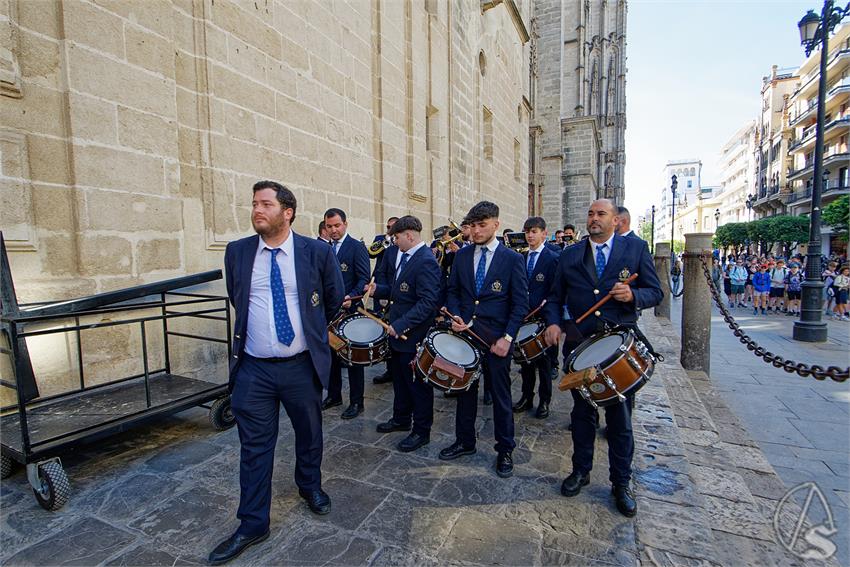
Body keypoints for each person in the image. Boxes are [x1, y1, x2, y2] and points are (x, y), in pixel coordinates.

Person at [210, 181, 345, 565]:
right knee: (254, 448)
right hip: (253, 369)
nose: (257, 210)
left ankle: (310, 487)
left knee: (309, 434)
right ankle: (253, 523)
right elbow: (240, 298)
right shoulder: (237, 252)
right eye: (254, 203)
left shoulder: (315, 251)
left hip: (301, 367)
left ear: (287, 212)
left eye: (265, 204)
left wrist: (311, 336)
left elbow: (332, 300)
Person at [543, 199, 662, 518]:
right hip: (580, 345)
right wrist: (554, 323)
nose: (594, 218)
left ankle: (621, 482)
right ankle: (580, 470)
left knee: (620, 420)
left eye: (601, 214)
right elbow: (555, 297)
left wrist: (634, 296)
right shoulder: (569, 254)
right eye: (591, 214)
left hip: (617, 346)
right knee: (582, 415)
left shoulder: (634, 249)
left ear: (616, 220)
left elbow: (655, 291)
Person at [441, 201, 528, 478]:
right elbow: (452, 291)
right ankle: (465, 441)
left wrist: (507, 338)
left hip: (496, 340)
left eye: (482, 225)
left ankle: (505, 449)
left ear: (495, 225)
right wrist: (455, 316)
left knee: (501, 397)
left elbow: (519, 304)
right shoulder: (462, 257)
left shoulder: (512, 259)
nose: (476, 231)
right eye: (473, 225)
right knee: (463, 391)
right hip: (466, 335)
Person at [367, 216, 441, 452]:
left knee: (418, 385)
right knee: (400, 379)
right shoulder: (406, 257)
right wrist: (378, 290)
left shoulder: (426, 261)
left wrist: (401, 325)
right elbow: (400, 292)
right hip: (398, 333)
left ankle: (421, 430)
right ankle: (400, 418)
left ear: (409, 236)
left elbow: (428, 302)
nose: (395, 242)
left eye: (396, 238)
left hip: (413, 334)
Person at [322, 208, 371, 419]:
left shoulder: (356, 247)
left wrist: (351, 295)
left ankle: (356, 402)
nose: (333, 230)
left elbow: (364, 279)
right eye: (329, 226)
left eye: (337, 225)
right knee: (331, 356)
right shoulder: (324, 248)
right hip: (329, 313)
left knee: (352, 359)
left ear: (345, 224)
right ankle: (334, 395)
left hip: (350, 312)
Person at [512, 217, 559, 419]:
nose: (530, 235)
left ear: (544, 234)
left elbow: (556, 291)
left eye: (534, 231)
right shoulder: (520, 258)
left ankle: (545, 401)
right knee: (526, 363)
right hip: (525, 319)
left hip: (543, 319)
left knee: (545, 365)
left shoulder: (552, 258)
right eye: (527, 232)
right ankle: (527, 397)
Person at [371, 216, 399, 386]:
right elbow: (371, 253)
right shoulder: (381, 240)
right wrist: (385, 240)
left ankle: (396, 369)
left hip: (393, 290)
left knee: (393, 328)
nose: (389, 229)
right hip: (380, 287)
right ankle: (389, 369)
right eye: (388, 226)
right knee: (382, 327)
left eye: (393, 227)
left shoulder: (402, 245)